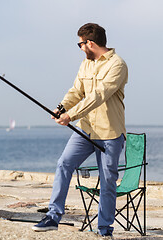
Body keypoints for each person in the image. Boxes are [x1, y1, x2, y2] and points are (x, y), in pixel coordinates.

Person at [32, 23, 128, 237]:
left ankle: (104, 229)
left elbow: (98, 95)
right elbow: (77, 90)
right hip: (85, 130)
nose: (80, 48)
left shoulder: (117, 65)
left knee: (107, 181)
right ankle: (53, 216)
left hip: (110, 133)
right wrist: (61, 108)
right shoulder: (86, 64)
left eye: (80, 44)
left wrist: (70, 116)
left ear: (90, 43)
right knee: (64, 164)